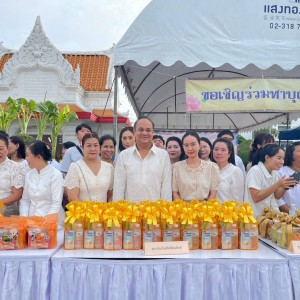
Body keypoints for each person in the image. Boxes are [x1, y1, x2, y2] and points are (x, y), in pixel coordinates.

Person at [113, 116, 172, 202]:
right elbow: (119, 187)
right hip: (129, 212)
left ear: (152, 132)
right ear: (134, 132)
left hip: (155, 212)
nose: (144, 133)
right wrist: (118, 211)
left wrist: (165, 211)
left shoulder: (163, 155)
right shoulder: (124, 156)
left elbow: (166, 186)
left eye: (148, 130)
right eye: (141, 129)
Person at [19, 141, 65, 226]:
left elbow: (56, 203)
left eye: (28, 155)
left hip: (52, 224)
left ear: (38, 157)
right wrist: (24, 218)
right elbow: (25, 200)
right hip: (31, 223)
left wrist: (45, 223)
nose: (26, 159)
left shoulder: (55, 175)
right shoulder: (29, 174)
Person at [244, 144, 292, 217]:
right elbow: (256, 197)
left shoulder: (274, 172)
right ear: (267, 158)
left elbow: (276, 196)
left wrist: (286, 186)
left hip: (269, 217)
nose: (282, 161)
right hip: (255, 218)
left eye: (283, 158)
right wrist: (278, 184)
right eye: (279, 158)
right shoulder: (255, 170)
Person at [65, 132, 113, 202]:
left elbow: (111, 195)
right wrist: (86, 212)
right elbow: (73, 198)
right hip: (82, 211)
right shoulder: (75, 167)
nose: (92, 149)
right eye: (89, 146)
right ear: (82, 148)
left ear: (99, 147)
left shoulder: (109, 167)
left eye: (95, 145)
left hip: (104, 212)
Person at [173, 131, 220, 202]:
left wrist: (204, 210)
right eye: (186, 145)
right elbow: (175, 192)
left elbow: (213, 193)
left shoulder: (211, 167)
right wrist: (183, 209)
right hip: (183, 210)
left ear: (199, 145)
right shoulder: (177, 167)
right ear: (183, 147)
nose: (190, 148)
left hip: (205, 210)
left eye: (193, 144)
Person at [212, 138, 244, 203]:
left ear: (229, 153)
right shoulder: (210, 169)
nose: (219, 153)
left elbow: (238, 199)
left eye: (223, 150)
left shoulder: (235, 171)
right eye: (216, 149)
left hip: (227, 212)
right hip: (209, 211)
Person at [0, 133, 24, 216]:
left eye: (1, 149)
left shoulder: (15, 167)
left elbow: (17, 195)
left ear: (7, 148)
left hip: (7, 211)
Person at [277, 142, 300, 211]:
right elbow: (278, 199)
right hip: (291, 218)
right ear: (291, 154)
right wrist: (292, 215)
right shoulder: (281, 172)